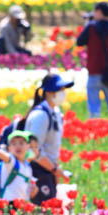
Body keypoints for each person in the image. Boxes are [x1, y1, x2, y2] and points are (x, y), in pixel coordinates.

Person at [24, 74, 74, 205]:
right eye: (60, 90)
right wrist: (55, 170)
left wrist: (54, 170)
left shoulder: (55, 112)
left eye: (64, 90)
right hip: (38, 170)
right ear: (50, 92)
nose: (63, 93)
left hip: (49, 169)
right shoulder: (40, 115)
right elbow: (33, 151)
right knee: (43, 213)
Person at [76, 1, 108, 119]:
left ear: (99, 12)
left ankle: (94, 126)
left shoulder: (91, 27)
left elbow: (79, 42)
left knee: (94, 105)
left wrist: (87, 23)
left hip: (94, 69)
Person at [0, 130, 38, 204]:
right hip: (8, 202)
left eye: (21, 143)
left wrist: (34, 189)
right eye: (13, 144)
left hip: (22, 203)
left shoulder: (28, 166)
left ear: (28, 146)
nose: (18, 146)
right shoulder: (11, 162)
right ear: (9, 148)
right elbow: (6, 157)